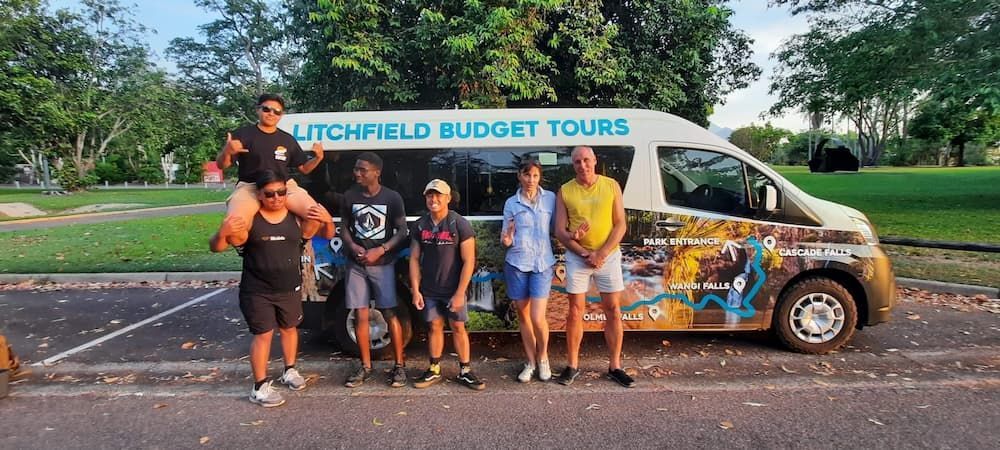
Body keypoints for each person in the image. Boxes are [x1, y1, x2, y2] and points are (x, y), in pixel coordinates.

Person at [210, 170, 335, 407]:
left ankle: (289, 370)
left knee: (289, 329)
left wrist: (327, 220)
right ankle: (260, 386)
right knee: (264, 335)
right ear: (259, 194)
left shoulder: (295, 218)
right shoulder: (250, 219)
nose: (276, 198)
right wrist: (222, 232)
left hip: (289, 288)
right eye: (270, 194)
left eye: (281, 192)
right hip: (257, 290)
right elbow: (216, 247)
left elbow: (327, 235)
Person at [554, 146, 635, 388]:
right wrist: (583, 252)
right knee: (575, 311)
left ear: (595, 160)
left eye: (586, 160)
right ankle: (572, 365)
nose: (582, 165)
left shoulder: (611, 185)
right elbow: (560, 231)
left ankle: (615, 366)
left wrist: (600, 253)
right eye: (577, 161)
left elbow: (620, 225)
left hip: (607, 256)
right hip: (578, 257)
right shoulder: (565, 191)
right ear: (573, 165)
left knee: (612, 310)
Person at [216, 93, 326, 246]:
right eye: (267, 109)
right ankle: (247, 249)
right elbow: (222, 165)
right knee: (234, 230)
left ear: (282, 115)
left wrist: (318, 158)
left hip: (284, 186)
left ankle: (298, 246)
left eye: (277, 111)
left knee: (316, 217)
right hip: (250, 186)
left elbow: (304, 168)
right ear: (258, 110)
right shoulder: (242, 134)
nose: (271, 114)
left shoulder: (287, 139)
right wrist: (227, 151)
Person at [339, 152, 409, 388]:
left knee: (389, 313)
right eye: (356, 169)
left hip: (383, 264)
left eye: (362, 170)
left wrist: (381, 249)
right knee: (360, 314)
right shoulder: (350, 195)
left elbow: (402, 231)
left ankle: (399, 366)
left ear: (377, 172)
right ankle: (365, 366)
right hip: (356, 264)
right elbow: (344, 227)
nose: (357, 173)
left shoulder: (392, 197)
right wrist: (352, 246)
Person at [409, 179, 485, 390]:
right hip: (430, 289)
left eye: (438, 195)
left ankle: (465, 371)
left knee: (458, 326)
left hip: (454, 288)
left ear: (448, 198)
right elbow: (414, 259)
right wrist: (416, 290)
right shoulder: (420, 225)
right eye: (430, 195)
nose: (434, 199)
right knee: (434, 326)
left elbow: (470, 260)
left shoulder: (459, 223)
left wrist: (460, 293)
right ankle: (434, 369)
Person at [500, 160, 556, 382]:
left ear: (539, 177)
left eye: (534, 175)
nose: (531, 180)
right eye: (526, 175)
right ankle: (530, 361)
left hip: (542, 263)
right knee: (523, 317)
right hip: (517, 263)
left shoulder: (550, 198)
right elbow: (505, 237)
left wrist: (574, 235)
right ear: (519, 176)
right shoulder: (511, 203)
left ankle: (543, 358)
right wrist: (506, 239)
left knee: (537, 317)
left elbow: (558, 227)